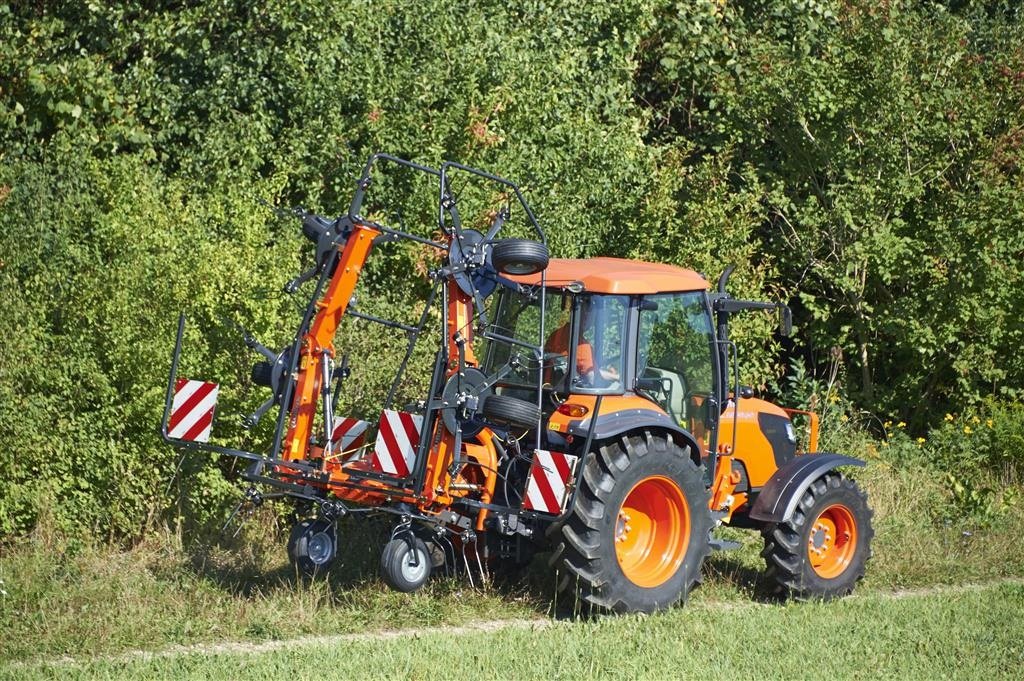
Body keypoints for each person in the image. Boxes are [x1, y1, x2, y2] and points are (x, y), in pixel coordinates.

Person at [544, 303, 619, 387]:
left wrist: (615, 377)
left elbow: (593, 371)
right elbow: (592, 378)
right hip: (568, 391)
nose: (593, 321)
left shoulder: (556, 335)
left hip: (549, 388)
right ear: (586, 316)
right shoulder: (581, 345)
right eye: (593, 317)